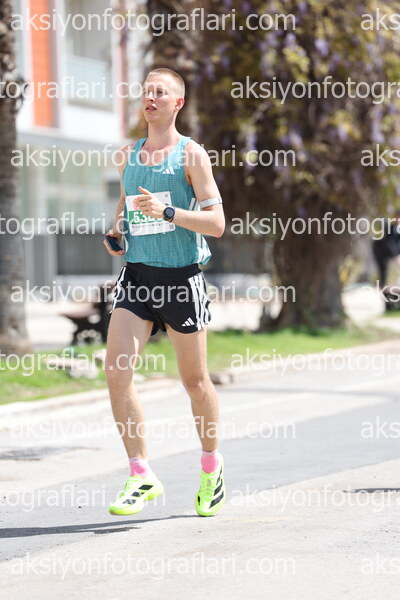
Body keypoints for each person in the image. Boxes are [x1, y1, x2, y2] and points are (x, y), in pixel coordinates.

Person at [103, 67, 226, 517]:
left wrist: (168, 212)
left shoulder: (191, 155)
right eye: (146, 91)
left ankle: (211, 467)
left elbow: (217, 224)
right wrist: (117, 230)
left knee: (195, 382)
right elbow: (125, 204)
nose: (150, 97)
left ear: (178, 103)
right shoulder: (127, 154)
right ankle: (140, 474)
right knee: (116, 371)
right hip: (137, 278)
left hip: (181, 280)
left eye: (161, 91)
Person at [372, 214, 400, 289]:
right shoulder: (390, 227)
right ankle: (383, 288)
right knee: (383, 271)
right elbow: (388, 242)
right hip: (381, 251)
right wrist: (395, 255)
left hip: (390, 252)